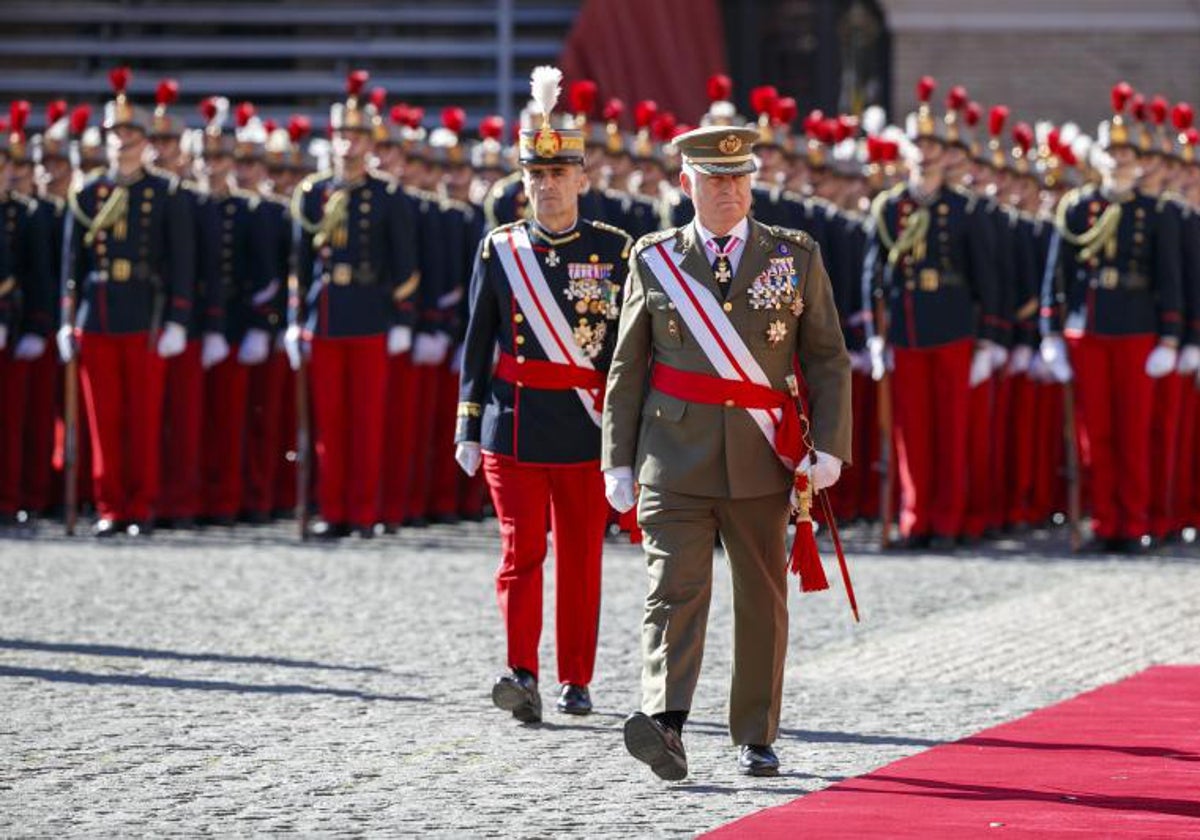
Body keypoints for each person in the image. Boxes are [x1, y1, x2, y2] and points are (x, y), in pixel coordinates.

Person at [601, 123, 852, 779]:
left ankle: (755, 733)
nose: (728, 191)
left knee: (761, 600)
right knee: (671, 592)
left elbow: (827, 358)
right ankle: (666, 723)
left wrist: (828, 447)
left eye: (738, 178)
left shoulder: (793, 255)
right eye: (714, 180)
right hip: (671, 454)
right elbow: (627, 367)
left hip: (761, 457)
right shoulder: (653, 259)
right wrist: (617, 460)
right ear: (687, 184)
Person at [455, 66, 631, 723]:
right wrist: (467, 426)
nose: (547, 185)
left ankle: (576, 678)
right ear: (523, 182)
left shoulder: (614, 252)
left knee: (581, 560)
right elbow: (477, 344)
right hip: (514, 422)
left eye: (558, 174)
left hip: (585, 427)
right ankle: (520, 670)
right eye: (536, 175)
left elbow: (622, 351)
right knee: (519, 553)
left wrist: (626, 440)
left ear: (582, 179)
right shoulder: (498, 249)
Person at [1040, 82, 1183, 552]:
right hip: (1089, 327)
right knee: (1093, 433)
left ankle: (1134, 520)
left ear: (1139, 162)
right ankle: (1104, 521)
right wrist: (1051, 333)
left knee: (1134, 431)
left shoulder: (1155, 213)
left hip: (1139, 327)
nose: (1119, 161)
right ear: (1098, 158)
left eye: (1127, 154)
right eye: (1111, 152)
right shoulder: (1078, 207)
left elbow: (1171, 277)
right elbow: (1056, 275)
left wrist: (1171, 336)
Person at [58, 68, 196, 537]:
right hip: (96, 313)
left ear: (144, 141)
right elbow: (72, 263)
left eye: (131, 134)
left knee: (142, 418)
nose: (123, 142)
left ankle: (141, 504)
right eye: (116, 134)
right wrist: (66, 318)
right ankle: (110, 504)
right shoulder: (88, 192)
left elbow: (181, 261)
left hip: (145, 312)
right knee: (104, 420)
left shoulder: (165, 192)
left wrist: (178, 317)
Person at [290, 70, 418, 539]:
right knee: (330, 423)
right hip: (324, 316)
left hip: (370, 314)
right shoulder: (313, 193)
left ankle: (363, 512)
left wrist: (402, 317)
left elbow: (405, 263)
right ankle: (333, 510)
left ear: (370, 142)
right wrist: (294, 320)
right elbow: (299, 264)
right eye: (343, 134)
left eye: (358, 135)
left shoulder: (386, 195)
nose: (349, 143)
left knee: (365, 423)